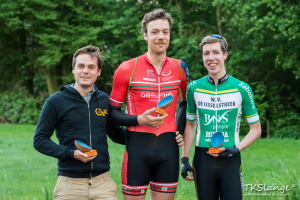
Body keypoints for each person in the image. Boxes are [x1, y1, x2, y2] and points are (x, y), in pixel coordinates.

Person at [33, 45, 183, 200]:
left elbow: (117, 134)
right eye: (81, 66)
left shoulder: (104, 100)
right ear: (73, 70)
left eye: (91, 67)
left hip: (103, 183)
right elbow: (39, 140)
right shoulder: (55, 101)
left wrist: (158, 135)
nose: (86, 71)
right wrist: (70, 154)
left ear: (98, 72)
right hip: (70, 183)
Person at [109, 9, 189, 200]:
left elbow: (185, 105)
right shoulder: (127, 68)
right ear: (145, 35)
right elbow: (111, 113)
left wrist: (177, 130)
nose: (161, 37)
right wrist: (139, 119)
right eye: (154, 32)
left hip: (169, 151)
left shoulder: (180, 68)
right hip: (137, 151)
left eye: (165, 31)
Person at [181, 34, 262, 200]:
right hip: (202, 160)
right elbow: (190, 125)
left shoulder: (242, 88)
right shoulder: (193, 88)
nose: (211, 58)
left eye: (216, 52)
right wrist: (184, 158)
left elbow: (256, 129)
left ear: (225, 55)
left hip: (231, 157)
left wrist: (237, 148)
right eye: (206, 53)